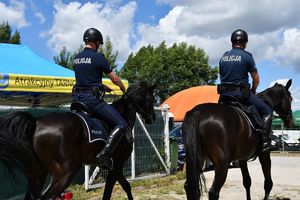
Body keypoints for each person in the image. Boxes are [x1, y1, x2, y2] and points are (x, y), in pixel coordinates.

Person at [72, 28, 128, 170]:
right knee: (121, 124)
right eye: (99, 44)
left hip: (76, 99)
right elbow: (114, 78)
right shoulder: (98, 57)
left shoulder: (76, 58)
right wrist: (122, 88)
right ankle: (103, 157)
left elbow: (86, 79)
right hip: (91, 100)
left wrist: (102, 86)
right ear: (97, 42)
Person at [218, 29, 273, 152]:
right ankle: (265, 142)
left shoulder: (223, 57)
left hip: (224, 96)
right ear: (244, 42)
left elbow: (222, 77)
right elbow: (256, 79)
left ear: (232, 42)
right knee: (268, 111)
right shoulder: (247, 56)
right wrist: (253, 90)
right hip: (241, 95)